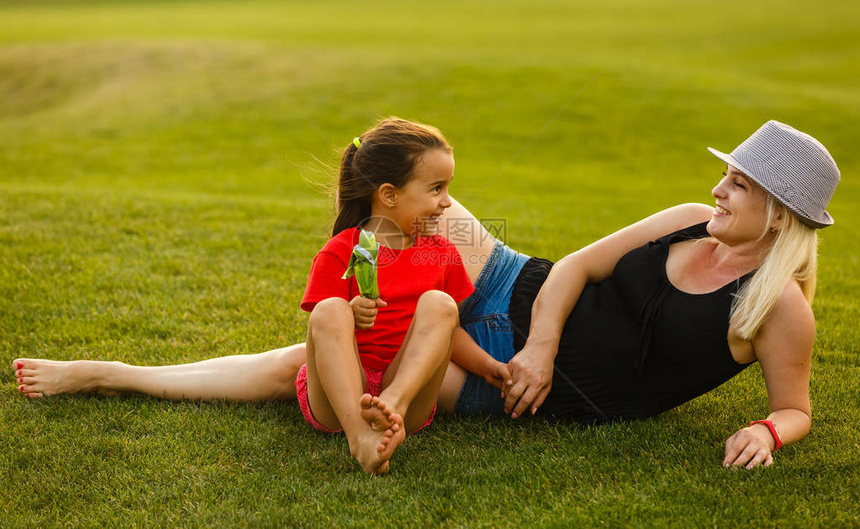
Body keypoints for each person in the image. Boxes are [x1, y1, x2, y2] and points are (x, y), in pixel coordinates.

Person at [13, 120, 840, 471]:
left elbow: (795, 404)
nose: (720, 186)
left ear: (782, 211)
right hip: (517, 285)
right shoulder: (688, 219)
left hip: (499, 378)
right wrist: (544, 342)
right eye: (728, 172)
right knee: (422, 194)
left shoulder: (776, 309)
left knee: (293, 367)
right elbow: (580, 268)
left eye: (741, 181)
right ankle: (354, 264)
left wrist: (769, 429)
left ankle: (111, 371)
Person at [291, 117, 475, 474]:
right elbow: (322, 330)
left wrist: (491, 368)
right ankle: (360, 436)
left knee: (441, 304)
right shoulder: (340, 250)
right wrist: (350, 310)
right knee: (330, 309)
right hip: (338, 398)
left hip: (406, 394)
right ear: (389, 194)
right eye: (436, 189)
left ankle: (392, 405)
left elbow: (449, 332)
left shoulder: (443, 254)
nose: (448, 202)